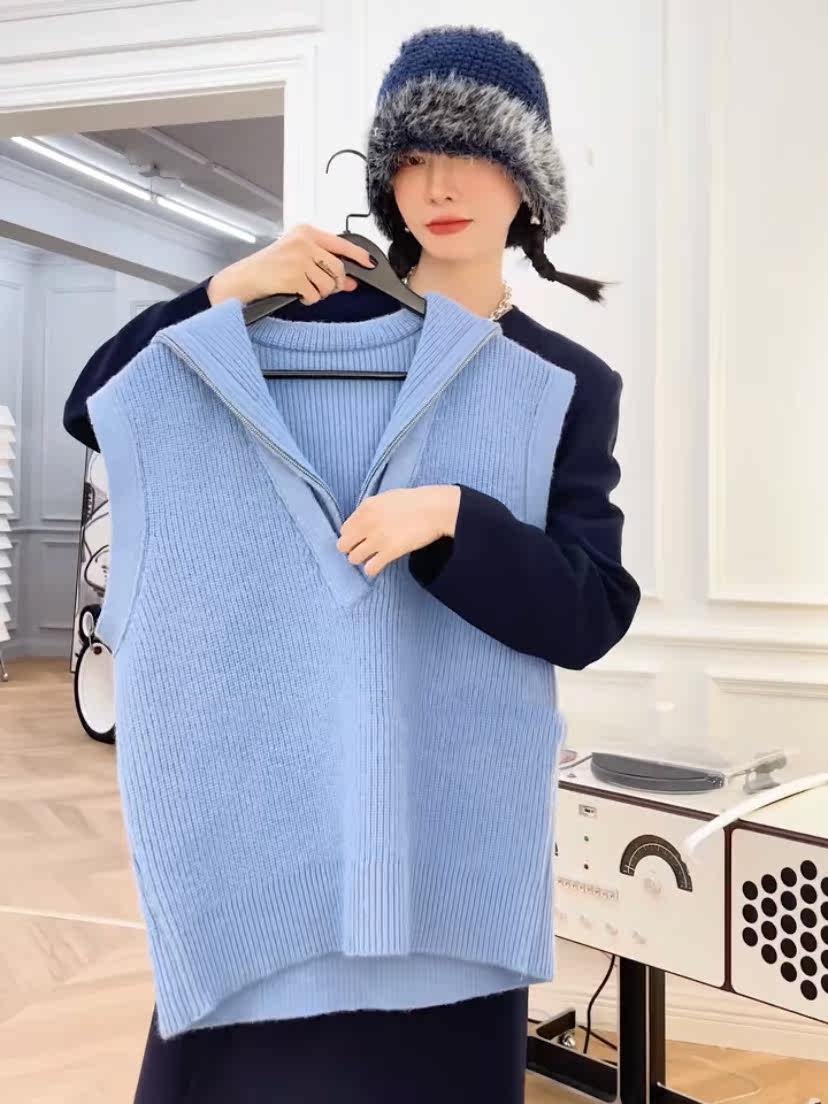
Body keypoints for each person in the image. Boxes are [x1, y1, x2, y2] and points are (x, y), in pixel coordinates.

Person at [64, 24, 640, 1104]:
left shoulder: (563, 383)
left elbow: (589, 613)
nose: (440, 186)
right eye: (413, 157)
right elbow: (101, 409)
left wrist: (458, 521)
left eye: (473, 153)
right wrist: (224, 289)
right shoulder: (293, 319)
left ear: (530, 179)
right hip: (254, 866)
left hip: (444, 862)